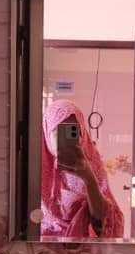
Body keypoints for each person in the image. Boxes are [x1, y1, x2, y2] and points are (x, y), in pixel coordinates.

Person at [41, 99, 124, 239]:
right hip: (44, 248)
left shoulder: (92, 167)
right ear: (46, 132)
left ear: (82, 133)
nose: (66, 138)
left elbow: (105, 224)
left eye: (73, 131)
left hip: (84, 250)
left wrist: (88, 178)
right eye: (58, 131)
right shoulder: (34, 169)